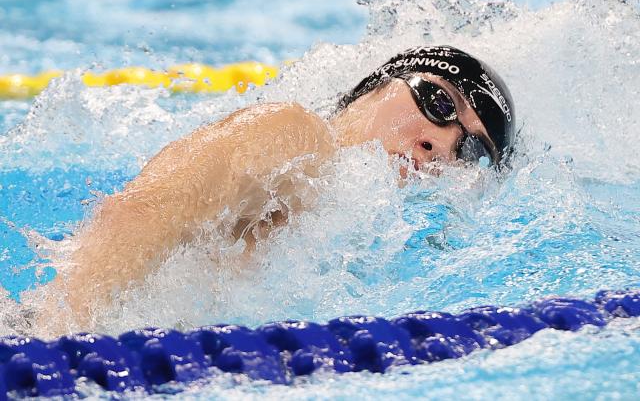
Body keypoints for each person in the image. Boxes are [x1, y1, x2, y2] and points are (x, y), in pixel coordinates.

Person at [40, 45, 516, 334]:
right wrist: (58, 343)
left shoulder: (362, 233)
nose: (441, 142)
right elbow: (140, 214)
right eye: (438, 102)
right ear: (378, 84)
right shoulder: (295, 134)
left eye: (471, 150)